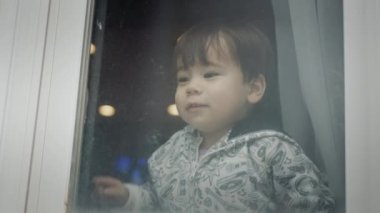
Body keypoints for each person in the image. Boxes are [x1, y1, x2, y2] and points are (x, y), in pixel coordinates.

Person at [93, 21, 335, 212]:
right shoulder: (168, 152)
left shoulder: (273, 149)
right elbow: (157, 200)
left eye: (209, 74)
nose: (191, 87)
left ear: (253, 89)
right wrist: (128, 197)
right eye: (183, 79)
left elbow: (313, 203)